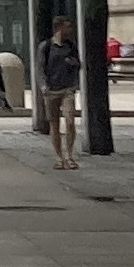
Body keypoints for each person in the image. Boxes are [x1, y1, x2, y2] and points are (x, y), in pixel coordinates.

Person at [38, 16, 84, 170]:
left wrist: (74, 64)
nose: (70, 30)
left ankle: (69, 155)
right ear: (58, 28)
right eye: (67, 27)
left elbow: (78, 64)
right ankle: (58, 156)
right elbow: (40, 68)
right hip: (51, 90)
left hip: (67, 89)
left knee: (70, 121)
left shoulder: (71, 46)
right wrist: (43, 85)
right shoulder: (46, 46)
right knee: (54, 124)